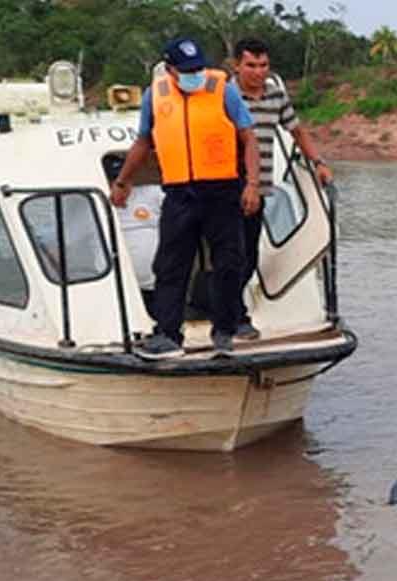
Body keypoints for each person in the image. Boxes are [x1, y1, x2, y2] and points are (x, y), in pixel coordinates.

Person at [110, 37, 260, 360]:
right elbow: (142, 143)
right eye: (187, 70)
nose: (196, 75)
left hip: (222, 191)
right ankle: (168, 334)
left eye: (198, 68)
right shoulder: (155, 96)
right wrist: (123, 182)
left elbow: (248, 138)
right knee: (170, 265)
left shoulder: (223, 89)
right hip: (179, 193)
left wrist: (252, 184)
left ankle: (224, 331)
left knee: (229, 262)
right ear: (170, 69)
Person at [230, 37, 333, 341]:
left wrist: (318, 162)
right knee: (229, 253)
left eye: (263, 66)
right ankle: (234, 315)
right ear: (237, 66)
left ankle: (232, 308)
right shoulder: (226, 96)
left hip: (259, 187)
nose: (258, 72)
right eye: (251, 65)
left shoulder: (276, 98)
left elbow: (297, 131)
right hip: (226, 187)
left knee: (247, 255)